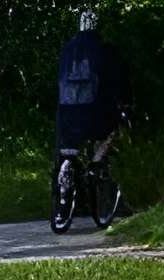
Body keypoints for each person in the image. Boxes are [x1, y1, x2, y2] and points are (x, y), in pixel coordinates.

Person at [51, 11, 128, 230]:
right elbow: (117, 80)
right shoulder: (105, 50)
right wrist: (124, 103)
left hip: (67, 113)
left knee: (68, 149)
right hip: (96, 112)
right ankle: (96, 163)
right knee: (111, 131)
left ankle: (64, 192)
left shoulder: (67, 51)